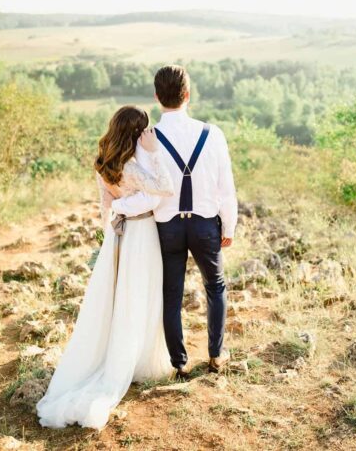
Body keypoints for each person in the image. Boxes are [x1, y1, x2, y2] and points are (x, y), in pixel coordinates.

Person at [37, 106, 175, 430]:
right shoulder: (135, 165)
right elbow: (165, 188)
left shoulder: (104, 163)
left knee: (116, 301)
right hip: (141, 235)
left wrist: (112, 229)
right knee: (141, 296)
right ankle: (136, 361)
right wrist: (154, 154)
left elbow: (105, 206)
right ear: (136, 133)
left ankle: (122, 355)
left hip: (117, 237)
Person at [111, 65, 238, 380]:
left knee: (172, 293)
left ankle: (179, 363)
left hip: (167, 226)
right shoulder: (213, 134)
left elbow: (145, 190)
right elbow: (226, 187)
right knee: (215, 286)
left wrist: (118, 205)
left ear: (157, 97)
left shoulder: (146, 140)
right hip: (206, 225)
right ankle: (216, 356)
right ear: (188, 94)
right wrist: (229, 226)